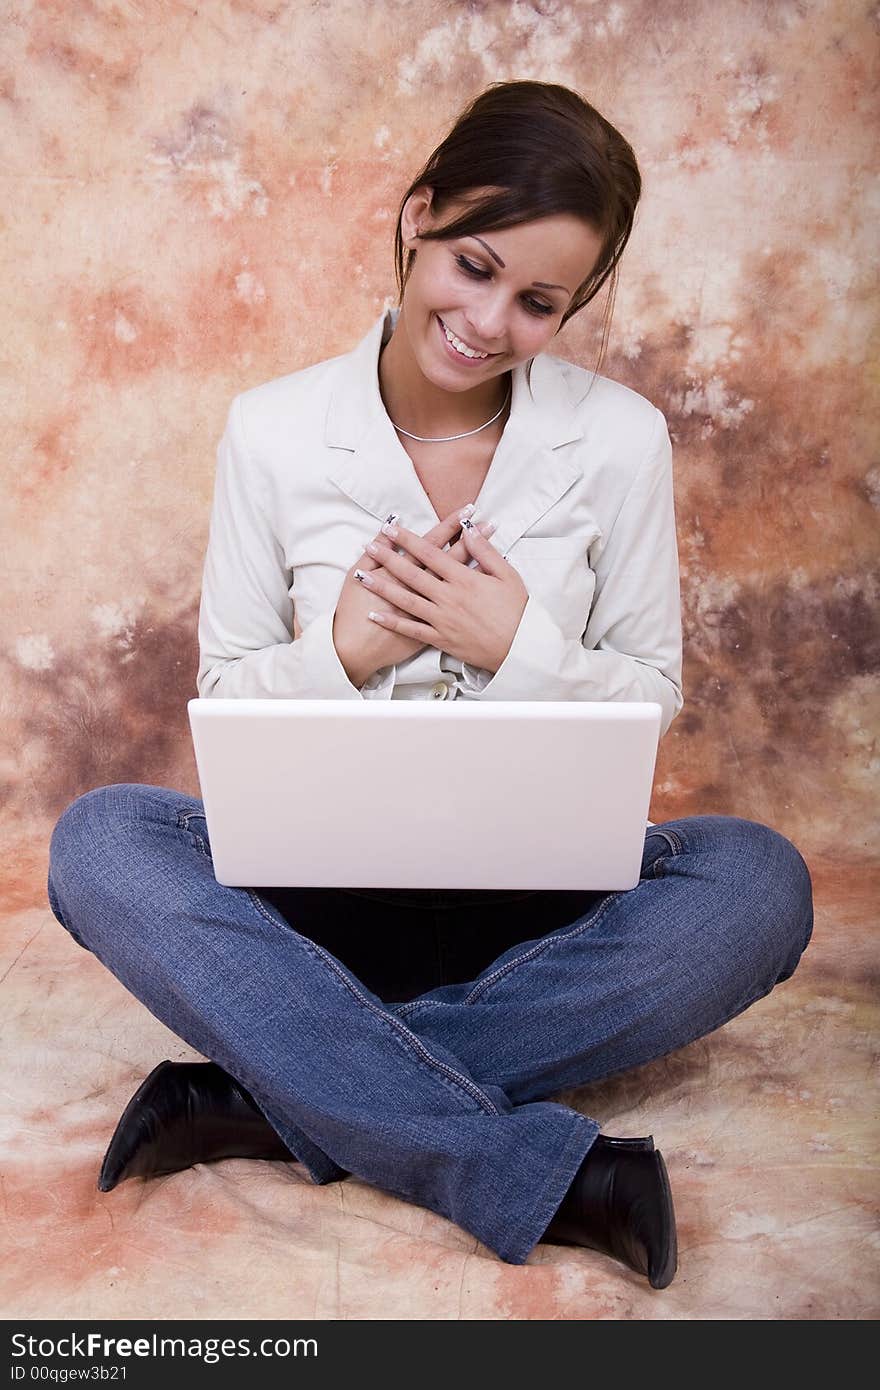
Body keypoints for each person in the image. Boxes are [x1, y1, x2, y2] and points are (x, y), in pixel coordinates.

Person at [46, 81, 814, 1291]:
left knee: (757, 883)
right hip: (313, 913)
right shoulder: (273, 430)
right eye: (472, 265)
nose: (488, 319)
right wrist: (341, 656)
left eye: (538, 302)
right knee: (101, 839)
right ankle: (524, 1166)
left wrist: (517, 645)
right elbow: (228, 696)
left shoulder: (618, 442)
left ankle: (270, 1098)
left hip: (543, 910)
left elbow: (651, 692)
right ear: (417, 218)